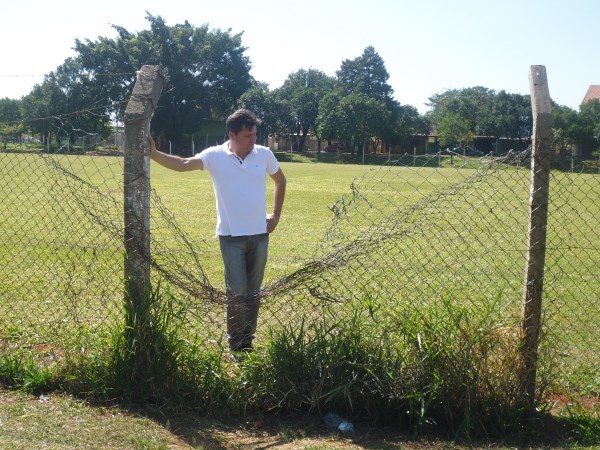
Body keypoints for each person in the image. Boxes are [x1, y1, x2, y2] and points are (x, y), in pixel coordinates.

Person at [148, 109, 286, 362]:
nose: (252, 139)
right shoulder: (215, 156)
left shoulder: (264, 155)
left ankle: (248, 342)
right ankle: (235, 346)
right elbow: (183, 164)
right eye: (247, 135)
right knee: (236, 292)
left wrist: (275, 215)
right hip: (231, 236)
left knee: (254, 292)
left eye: (254, 134)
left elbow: (280, 180)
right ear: (231, 135)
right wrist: (155, 155)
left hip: (259, 235)